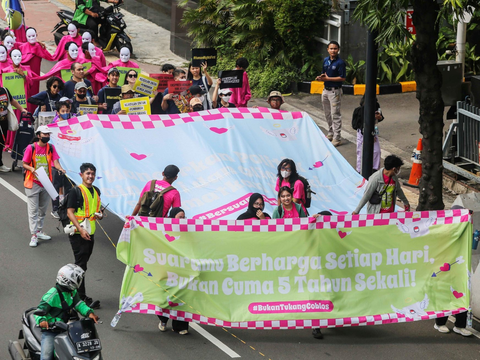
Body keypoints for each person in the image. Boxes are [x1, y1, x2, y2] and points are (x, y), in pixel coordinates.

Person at [35, 264, 99, 360]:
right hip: (52, 330)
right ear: (68, 280)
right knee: (46, 356)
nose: (79, 282)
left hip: (69, 328)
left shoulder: (72, 292)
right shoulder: (52, 295)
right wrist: (42, 320)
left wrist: (89, 312)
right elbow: (40, 310)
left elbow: (79, 304)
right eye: (77, 279)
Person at [66, 163, 103, 307]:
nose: (90, 176)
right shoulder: (76, 191)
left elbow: (96, 210)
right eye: (87, 173)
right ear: (81, 175)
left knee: (83, 265)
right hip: (78, 232)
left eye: (93, 174)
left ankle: (75, 294)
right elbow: (70, 212)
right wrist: (80, 230)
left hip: (91, 231)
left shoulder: (96, 191)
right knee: (80, 265)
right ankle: (80, 298)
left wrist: (100, 215)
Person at [22, 125, 66, 247]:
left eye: (48, 134)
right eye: (44, 134)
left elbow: (56, 162)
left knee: (42, 210)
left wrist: (60, 169)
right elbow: (24, 163)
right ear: (38, 135)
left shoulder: (51, 148)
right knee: (33, 211)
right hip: (33, 183)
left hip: (46, 183)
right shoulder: (31, 148)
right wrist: (31, 168)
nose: (47, 136)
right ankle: (33, 235)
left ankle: (39, 231)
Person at [157, 206, 189, 335]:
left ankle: (180, 326)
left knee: (182, 297)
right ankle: (163, 320)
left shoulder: (187, 231)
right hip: (168, 270)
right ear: (172, 217)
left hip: (182, 270)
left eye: (184, 217)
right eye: (180, 217)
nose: (182, 220)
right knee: (167, 296)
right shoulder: (164, 229)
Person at [315, 40, 346, 147]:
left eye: (335, 48)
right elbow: (325, 74)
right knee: (327, 113)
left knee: (335, 114)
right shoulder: (326, 60)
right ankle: (330, 133)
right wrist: (321, 78)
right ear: (328, 50)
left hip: (335, 91)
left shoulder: (340, 63)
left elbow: (342, 78)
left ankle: (337, 138)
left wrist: (329, 78)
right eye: (331, 48)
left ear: (338, 50)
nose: (333, 50)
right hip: (325, 90)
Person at [354, 95, 384, 172]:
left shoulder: (376, 107)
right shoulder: (359, 111)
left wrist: (378, 117)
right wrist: (367, 135)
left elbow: (381, 117)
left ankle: (375, 169)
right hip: (362, 133)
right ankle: (360, 170)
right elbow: (356, 125)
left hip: (373, 131)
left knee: (376, 151)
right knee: (361, 152)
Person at [0, 86, 27, 171]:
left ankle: (0, 164)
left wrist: (22, 109)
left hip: (4, 123)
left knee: (1, 143)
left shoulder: (4, 90)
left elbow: (12, 101)